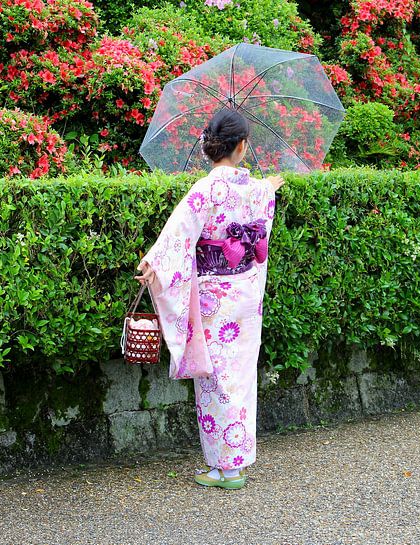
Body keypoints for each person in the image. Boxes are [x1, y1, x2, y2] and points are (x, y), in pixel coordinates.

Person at [135, 108, 284, 490]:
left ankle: (223, 468)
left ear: (208, 147)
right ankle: (236, 460)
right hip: (246, 293)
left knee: (214, 376)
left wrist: (155, 264)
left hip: (215, 296)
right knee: (240, 375)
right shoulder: (259, 190)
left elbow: (179, 233)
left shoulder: (206, 190)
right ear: (242, 147)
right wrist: (270, 186)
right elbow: (261, 225)